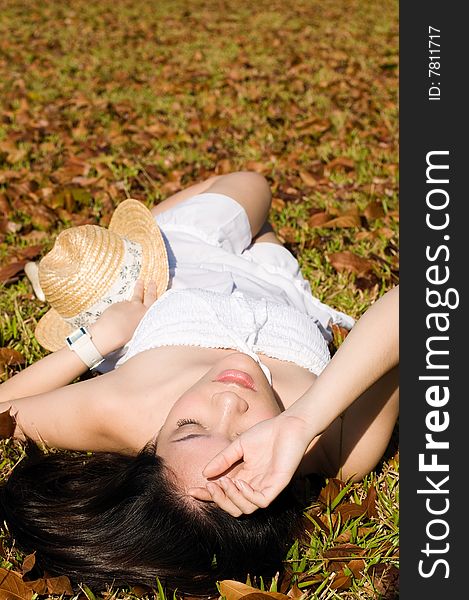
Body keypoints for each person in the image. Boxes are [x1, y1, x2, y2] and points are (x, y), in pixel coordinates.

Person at [0, 171, 399, 594]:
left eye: (189, 428)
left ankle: (130, 241)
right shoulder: (336, 447)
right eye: (249, 437)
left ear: (149, 447)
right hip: (279, 284)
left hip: (170, 266)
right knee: (260, 213)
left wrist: (96, 341)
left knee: (250, 183)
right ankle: (207, 236)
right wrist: (303, 420)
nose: (229, 402)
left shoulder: (122, 409)